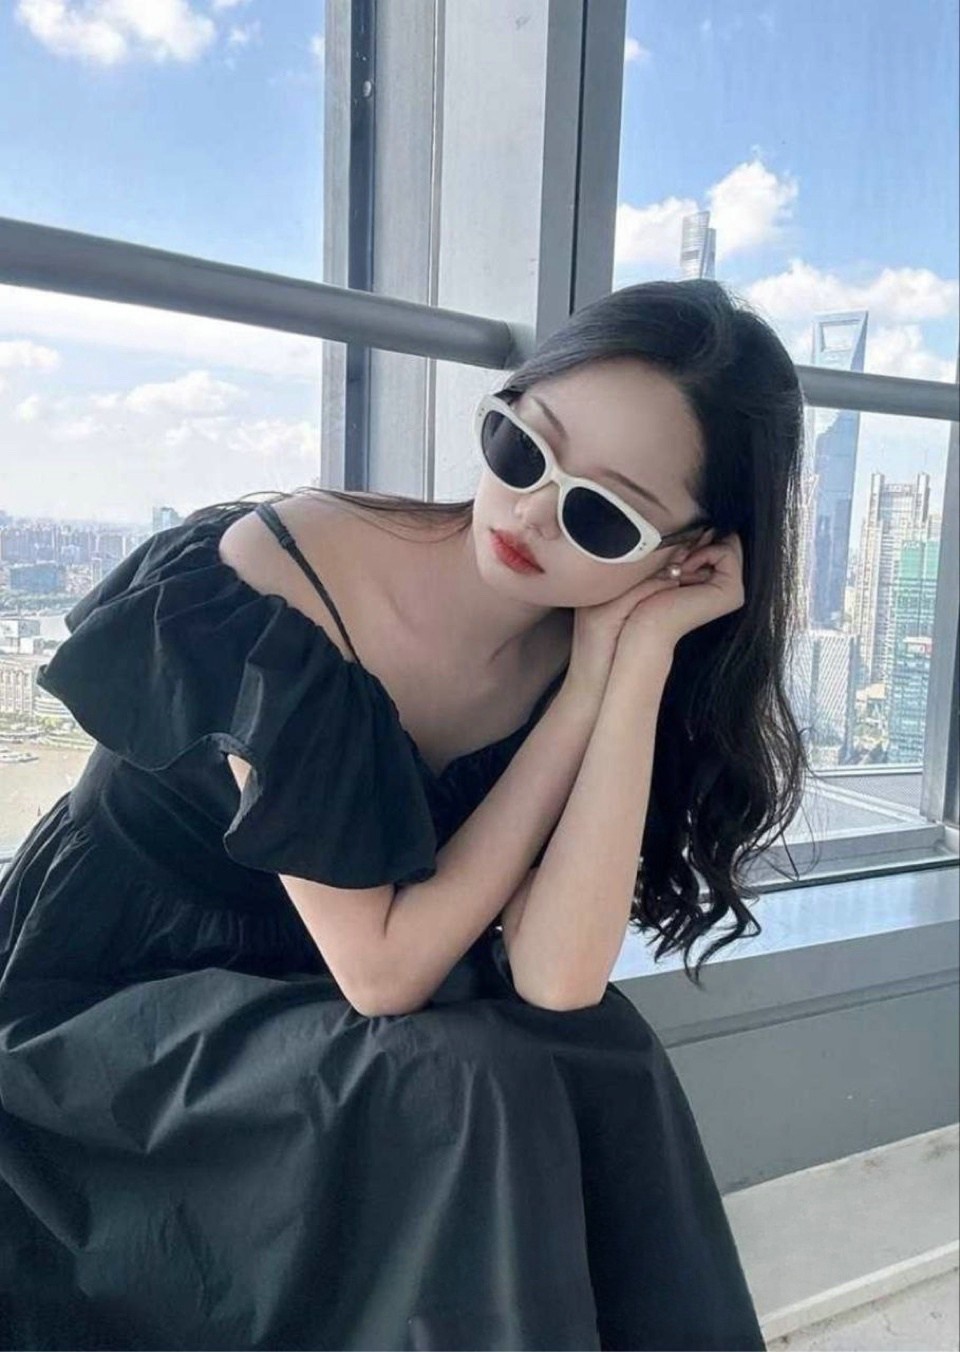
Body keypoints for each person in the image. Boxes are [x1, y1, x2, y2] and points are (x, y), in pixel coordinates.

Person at [0, 278, 809, 1350]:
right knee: (471, 1084)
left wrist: (628, 667)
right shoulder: (285, 579)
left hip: (311, 1003)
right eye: (521, 447)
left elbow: (558, 981)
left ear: (681, 553)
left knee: (602, 1056)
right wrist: (583, 696)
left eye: (601, 515)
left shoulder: (590, 643)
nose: (529, 512)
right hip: (111, 1003)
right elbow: (383, 974)